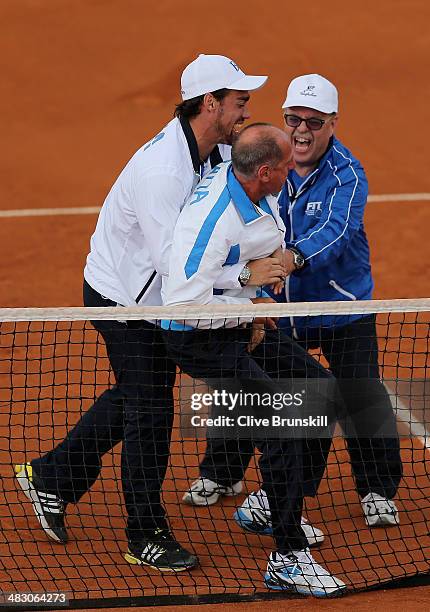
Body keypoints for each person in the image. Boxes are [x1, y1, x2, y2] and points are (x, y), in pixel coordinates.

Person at [14, 54, 286, 573]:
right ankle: (144, 533)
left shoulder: (206, 153)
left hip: (156, 290)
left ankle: (53, 476)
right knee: (151, 410)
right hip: (127, 298)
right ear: (210, 104)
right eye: (239, 103)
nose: (245, 114)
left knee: (140, 394)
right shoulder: (165, 171)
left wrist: (241, 287)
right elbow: (177, 275)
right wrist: (243, 289)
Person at [184, 74, 402, 533]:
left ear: (332, 123)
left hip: (341, 308)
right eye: (293, 119)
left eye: (313, 122)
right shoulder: (271, 161)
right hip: (279, 308)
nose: (302, 130)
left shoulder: (348, 173)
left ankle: (377, 488)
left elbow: (338, 232)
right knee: (249, 388)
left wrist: (291, 258)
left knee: (360, 394)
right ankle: (221, 474)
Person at [161, 123, 347, 596]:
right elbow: (182, 302)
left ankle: (271, 503)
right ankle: (286, 558)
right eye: (286, 166)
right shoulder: (213, 217)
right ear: (265, 172)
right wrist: (247, 298)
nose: (293, 169)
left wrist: (257, 285)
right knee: (284, 424)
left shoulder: (252, 187)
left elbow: (244, 260)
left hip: (239, 322)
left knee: (320, 391)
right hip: (198, 337)